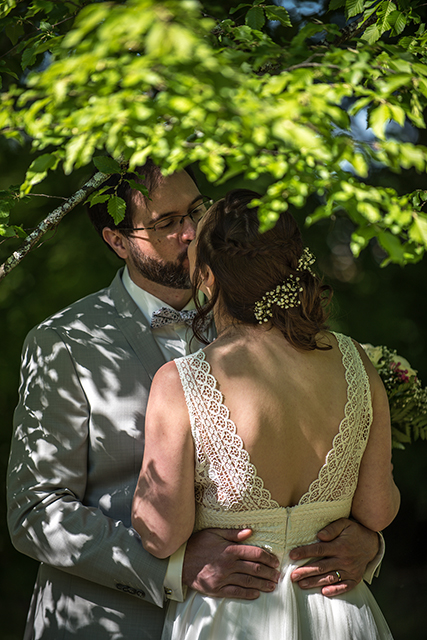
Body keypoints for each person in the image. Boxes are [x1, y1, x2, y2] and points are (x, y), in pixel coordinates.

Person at [7, 163, 383, 640]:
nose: (191, 233)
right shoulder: (65, 342)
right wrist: (174, 568)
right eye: (167, 223)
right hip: (110, 624)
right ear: (117, 241)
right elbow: (34, 512)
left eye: (197, 210)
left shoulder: (283, 334)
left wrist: (367, 544)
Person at [132, 188, 400, 639]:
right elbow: (377, 510)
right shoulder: (356, 362)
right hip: (337, 612)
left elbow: (160, 533)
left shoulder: (182, 382)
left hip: (233, 616)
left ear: (210, 278)